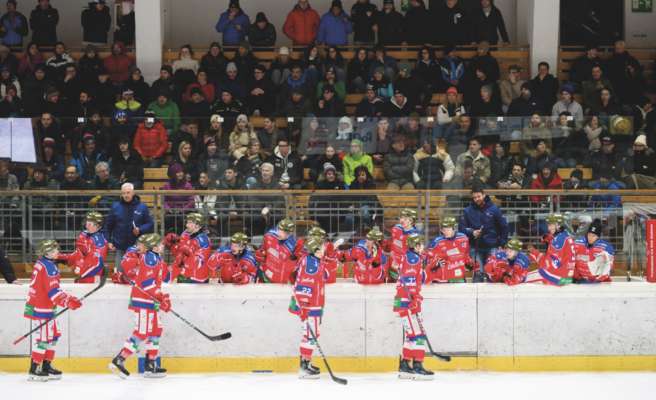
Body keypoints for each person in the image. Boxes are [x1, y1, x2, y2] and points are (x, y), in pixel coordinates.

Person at [109, 233, 170, 379]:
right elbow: (147, 283)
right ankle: (119, 359)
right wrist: (161, 297)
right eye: (160, 244)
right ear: (153, 247)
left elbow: (159, 280)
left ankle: (150, 364)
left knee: (156, 330)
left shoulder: (155, 258)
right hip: (143, 301)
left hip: (150, 300)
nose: (163, 246)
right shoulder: (149, 258)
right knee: (142, 332)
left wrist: (160, 299)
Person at [24, 240, 82, 381]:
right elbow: (53, 292)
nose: (58, 252)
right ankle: (34, 369)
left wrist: (68, 298)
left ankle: (46, 366)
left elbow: (52, 289)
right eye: (55, 250)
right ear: (48, 253)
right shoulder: (49, 267)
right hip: (43, 308)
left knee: (54, 335)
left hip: (44, 306)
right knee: (44, 339)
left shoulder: (42, 263)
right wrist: (67, 301)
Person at [289, 236, 330, 379]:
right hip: (310, 306)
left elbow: (325, 277)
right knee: (310, 335)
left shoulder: (314, 261)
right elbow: (303, 285)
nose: (325, 249)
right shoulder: (311, 264)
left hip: (314, 305)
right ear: (316, 250)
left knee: (311, 334)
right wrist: (304, 307)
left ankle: (306, 362)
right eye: (322, 247)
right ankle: (304, 367)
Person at [394, 233, 434, 380]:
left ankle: (405, 364)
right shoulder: (413, 258)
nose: (423, 246)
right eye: (421, 244)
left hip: (402, 301)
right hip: (407, 302)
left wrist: (430, 268)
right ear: (416, 246)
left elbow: (416, 279)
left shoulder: (409, 257)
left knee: (411, 335)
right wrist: (414, 298)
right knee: (418, 335)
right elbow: (408, 280)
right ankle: (417, 365)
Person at [459, 184, 509, 281]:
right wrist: (472, 233)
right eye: (474, 197)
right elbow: (461, 229)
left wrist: (502, 243)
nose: (477, 199)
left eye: (478, 196)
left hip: (493, 246)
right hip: (475, 247)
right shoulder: (467, 211)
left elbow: (504, 227)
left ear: (484, 195)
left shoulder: (494, 209)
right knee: (478, 275)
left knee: (493, 274)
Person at [104, 182, 154, 272]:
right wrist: (109, 241)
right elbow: (108, 226)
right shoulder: (115, 207)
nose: (126, 195)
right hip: (120, 247)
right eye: (124, 193)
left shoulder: (142, 207)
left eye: (128, 192)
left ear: (133, 193)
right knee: (120, 275)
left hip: (137, 248)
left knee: (136, 275)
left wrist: (140, 229)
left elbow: (150, 224)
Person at [526, 214, 576, 286]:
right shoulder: (565, 235)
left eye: (551, 225)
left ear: (558, 225)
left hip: (558, 278)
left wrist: (534, 253)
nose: (549, 228)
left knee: (524, 277)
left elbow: (549, 265)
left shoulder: (558, 240)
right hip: (567, 279)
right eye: (548, 225)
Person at [168, 212, 212, 283]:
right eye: (187, 222)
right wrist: (173, 245)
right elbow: (179, 254)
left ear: (198, 225)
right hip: (183, 274)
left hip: (197, 277)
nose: (187, 225)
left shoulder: (203, 239)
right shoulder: (185, 234)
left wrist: (186, 250)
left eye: (190, 223)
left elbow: (198, 260)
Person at [426, 217, 471, 283]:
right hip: (442, 278)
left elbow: (466, 254)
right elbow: (428, 259)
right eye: (443, 230)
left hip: (459, 276)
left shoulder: (463, 238)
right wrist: (435, 264)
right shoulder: (436, 242)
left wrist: (469, 263)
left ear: (454, 229)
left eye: (448, 229)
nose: (445, 232)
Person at [257, 218, 303, 283]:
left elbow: (300, 262)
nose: (280, 233)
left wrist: (293, 262)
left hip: (284, 282)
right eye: (279, 230)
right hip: (266, 278)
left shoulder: (296, 243)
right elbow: (261, 251)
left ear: (290, 233)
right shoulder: (269, 236)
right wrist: (260, 255)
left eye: (284, 232)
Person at [573, 219, 614, 283]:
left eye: (593, 236)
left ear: (598, 236)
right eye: (589, 235)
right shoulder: (578, 244)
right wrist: (577, 277)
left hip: (599, 284)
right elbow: (571, 261)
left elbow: (608, 266)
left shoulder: (606, 247)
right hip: (580, 282)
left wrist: (597, 280)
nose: (590, 238)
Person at [389, 208, 420, 282]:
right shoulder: (396, 229)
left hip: (405, 266)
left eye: (405, 219)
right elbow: (393, 244)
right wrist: (393, 256)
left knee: (403, 287)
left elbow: (416, 254)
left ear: (411, 221)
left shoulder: (414, 236)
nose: (402, 220)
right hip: (393, 262)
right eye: (402, 218)